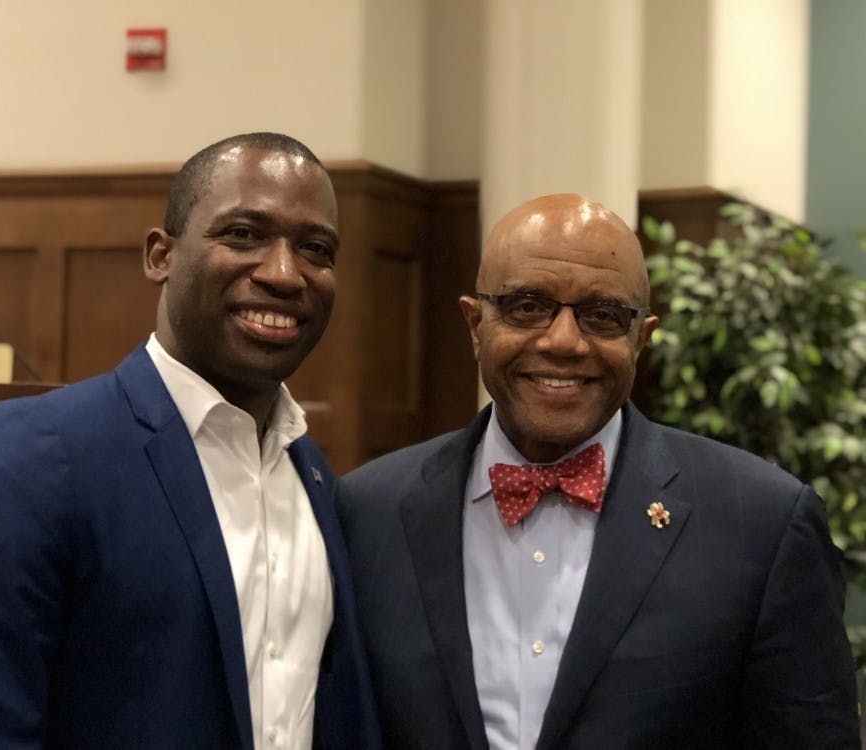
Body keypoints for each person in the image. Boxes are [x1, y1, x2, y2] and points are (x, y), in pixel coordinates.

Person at [0, 132, 379, 750]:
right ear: (161, 256)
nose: (286, 273)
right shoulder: (28, 456)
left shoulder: (311, 474)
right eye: (243, 234)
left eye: (315, 248)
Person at [336, 193, 858, 749]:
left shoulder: (764, 524)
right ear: (474, 323)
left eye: (603, 316)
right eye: (527, 306)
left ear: (642, 339)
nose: (563, 341)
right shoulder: (367, 513)